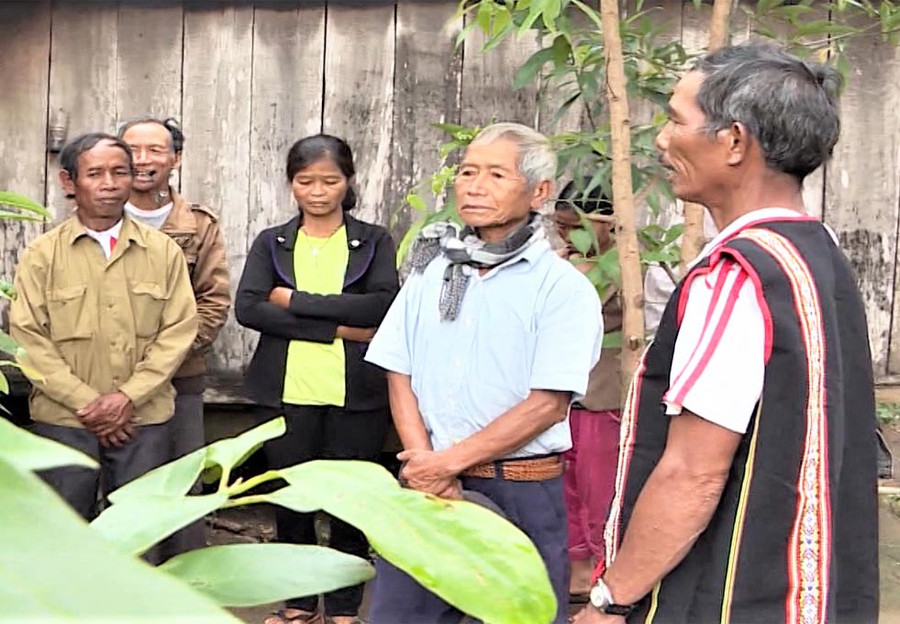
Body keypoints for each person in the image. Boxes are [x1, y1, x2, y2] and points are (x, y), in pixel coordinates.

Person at [574, 43, 878, 623]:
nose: (661, 140)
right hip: (806, 590)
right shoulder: (817, 253)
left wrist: (612, 597)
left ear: (734, 142)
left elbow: (694, 472)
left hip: (733, 594)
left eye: (674, 120)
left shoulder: (738, 275)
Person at [364, 122, 603, 624]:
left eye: (496, 174)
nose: (474, 185)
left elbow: (547, 403)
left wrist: (447, 464)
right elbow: (398, 370)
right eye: (467, 171)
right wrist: (425, 464)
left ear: (539, 192)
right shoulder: (432, 272)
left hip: (519, 491)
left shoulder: (560, 288)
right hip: (426, 487)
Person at [9, 133, 197, 563]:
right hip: (65, 422)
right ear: (69, 182)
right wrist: (90, 404)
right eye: (95, 173)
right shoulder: (42, 256)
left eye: (120, 172)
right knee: (61, 534)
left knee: (140, 538)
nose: (110, 183)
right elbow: (28, 338)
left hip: (143, 420)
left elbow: (178, 331)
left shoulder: (162, 252)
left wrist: (125, 398)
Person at [235, 134, 399, 624]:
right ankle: (300, 603)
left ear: (348, 182)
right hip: (285, 395)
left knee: (352, 501)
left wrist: (293, 300)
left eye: (330, 181)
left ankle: (346, 606)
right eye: (306, 181)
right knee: (292, 501)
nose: (318, 191)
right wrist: (341, 329)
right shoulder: (273, 241)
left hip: (357, 396)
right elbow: (249, 308)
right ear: (291, 185)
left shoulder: (374, 240)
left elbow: (381, 305)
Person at [118, 116, 231, 557]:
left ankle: (183, 591)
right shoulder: (97, 218)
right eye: (133, 150)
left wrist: (159, 363)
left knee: (180, 486)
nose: (143, 161)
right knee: (120, 488)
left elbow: (213, 302)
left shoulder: (198, 225)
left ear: (175, 159)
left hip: (178, 380)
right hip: (105, 385)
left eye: (155, 150)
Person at [553, 181, 623, 601]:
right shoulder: (553, 264)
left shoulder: (634, 268)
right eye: (559, 225)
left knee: (600, 492)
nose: (565, 234)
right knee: (565, 488)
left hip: (605, 396)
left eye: (574, 225)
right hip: (560, 398)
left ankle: (608, 574)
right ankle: (578, 576)